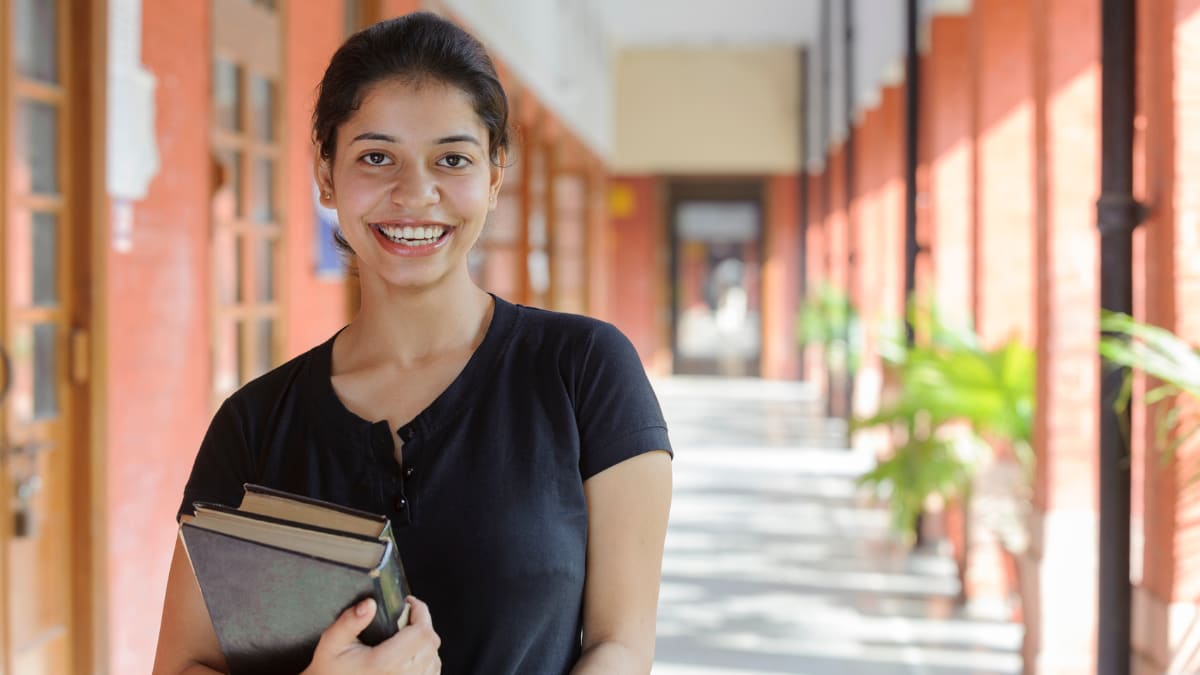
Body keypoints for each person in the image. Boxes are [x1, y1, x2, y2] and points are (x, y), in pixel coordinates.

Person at [152, 12, 673, 675]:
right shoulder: (253, 426)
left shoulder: (586, 373)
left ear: (494, 174)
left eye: (451, 158)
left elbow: (621, 646)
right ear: (326, 174)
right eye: (377, 156)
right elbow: (183, 663)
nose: (415, 194)